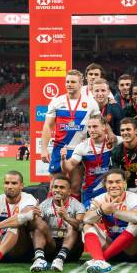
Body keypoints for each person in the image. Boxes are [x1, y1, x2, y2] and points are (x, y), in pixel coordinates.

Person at [41, 69, 100, 199]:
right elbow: (47, 126)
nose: (69, 84)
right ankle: (52, 216)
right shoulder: (57, 101)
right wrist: (44, 149)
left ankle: (74, 216)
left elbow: (98, 126)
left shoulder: (91, 103)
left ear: (80, 84)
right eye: (67, 81)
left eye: (73, 82)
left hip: (80, 149)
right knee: (55, 185)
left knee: (75, 186)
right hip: (59, 148)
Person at [82, 169, 137, 273]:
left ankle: (101, 260)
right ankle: (100, 261)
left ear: (125, 183)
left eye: (118, 182)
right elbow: (86, 219)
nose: (114, 185)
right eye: (110, 182)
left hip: (131, 251)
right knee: (88, 225)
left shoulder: (134, 198)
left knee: (135, 225)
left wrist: (114, 211)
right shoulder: (100, 199)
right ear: (105, 185)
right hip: (111, 244)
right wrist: (100, 211)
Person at [60, 115, 120, 207]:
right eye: (89, 127)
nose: (91, 130)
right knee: (89, 219)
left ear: (104, 127)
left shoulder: (113, 141)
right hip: (90, 191)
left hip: (111, 189)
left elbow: (131, 140)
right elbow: (68, 167)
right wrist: (63, 160)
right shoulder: (82, 146)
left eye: (95, 126)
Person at [29, 175, 85, 272]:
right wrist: (34, 218)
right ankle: (40, 259)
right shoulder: (44, 205)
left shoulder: (78, 205)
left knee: (73, 225)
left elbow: (80, 226)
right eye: (55, 187)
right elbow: (31, 228)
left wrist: (67, 218)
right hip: (51, 245)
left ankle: (60, 259)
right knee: (38, 226)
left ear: (69, 191)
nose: (57, 190)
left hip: (71, 249)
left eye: (62, 187)